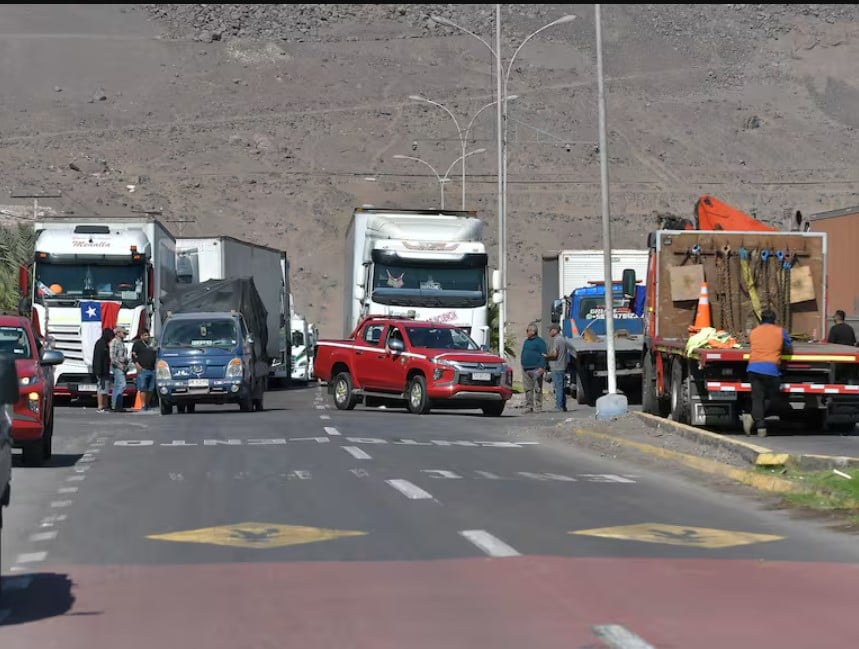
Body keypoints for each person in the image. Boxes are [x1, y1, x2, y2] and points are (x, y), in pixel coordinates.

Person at [742, 309, 792, 438]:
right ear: (774, 320)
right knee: (772, 398)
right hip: (771, 370)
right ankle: (754, 419)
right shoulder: (780, 331)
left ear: (761, 319)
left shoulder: (754, 332)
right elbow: (789, 346)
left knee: (757, 398)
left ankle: (760, 427)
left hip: (753, 368)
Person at [520, 323, 547, 413]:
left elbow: (544, 355)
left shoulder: (540, 342)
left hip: (536, 368)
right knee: (528, 388)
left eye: (528, 331)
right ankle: (529, 406)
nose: (526, 332)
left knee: (537, 388)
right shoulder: (526, 341)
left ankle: (538, 406)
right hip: (526, 368)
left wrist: (542, 367)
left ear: (533, 331)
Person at [543, 324, 569, 412]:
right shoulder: (562, 339)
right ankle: (563, 405)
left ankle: (559, 406)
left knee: (558, 387)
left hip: (557, 366)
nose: (549, 332)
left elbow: (554, 354)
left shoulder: (557, 340)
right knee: (561, 387)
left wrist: (546, 356)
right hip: (561, 366)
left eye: (550, 330)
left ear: (555, 330)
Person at [132, 328, 157, 411]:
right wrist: (137, 364)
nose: (147, 337)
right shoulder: (137, 344)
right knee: (143, 387)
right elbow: (133, 355)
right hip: (143, 370)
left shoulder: (151, 345)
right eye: (145, 335)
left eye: (148, 335)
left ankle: (147, 403)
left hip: (152, 369)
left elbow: (155, 354)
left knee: (151, 388)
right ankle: (143, 404)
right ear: (141, 336)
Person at [92, 327, 114, 413]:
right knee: (101, 388)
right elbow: (98, 359)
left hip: (105, 370)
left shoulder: (105, 344)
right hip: (101, 371)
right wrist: (98, 371)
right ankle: (100, 406)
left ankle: (105, 405)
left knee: (106, 389)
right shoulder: (100, 344)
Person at [110, 327, 130, 413]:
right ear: (118, 333)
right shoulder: (114, 342)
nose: (125, 335)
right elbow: (112, 356)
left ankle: (116, 406)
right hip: (118, 367)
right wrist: (119, 365)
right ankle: (116, 405)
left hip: (123, 366)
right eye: (123, 333)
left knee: (117, 386)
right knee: (122, 384)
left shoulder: (121, 343)